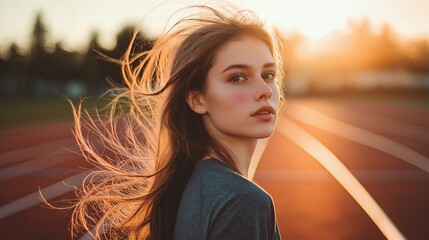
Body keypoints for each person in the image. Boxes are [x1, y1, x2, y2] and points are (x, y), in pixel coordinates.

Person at [70, 4, 285, 240]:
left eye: (268, 75)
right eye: (237, 77)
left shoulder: (189, 182)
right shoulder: (243, 200)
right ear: (197, 100)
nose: (264, 90)